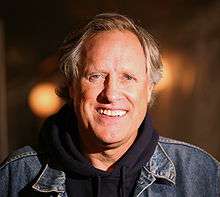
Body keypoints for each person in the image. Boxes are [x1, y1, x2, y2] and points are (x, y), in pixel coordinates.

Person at [0, 13, 219, 197]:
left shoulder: (201, 174)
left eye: (128, 77)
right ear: (72, 87)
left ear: (149, 88)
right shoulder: (17, 175)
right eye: (96, 76)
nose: (111, 94)